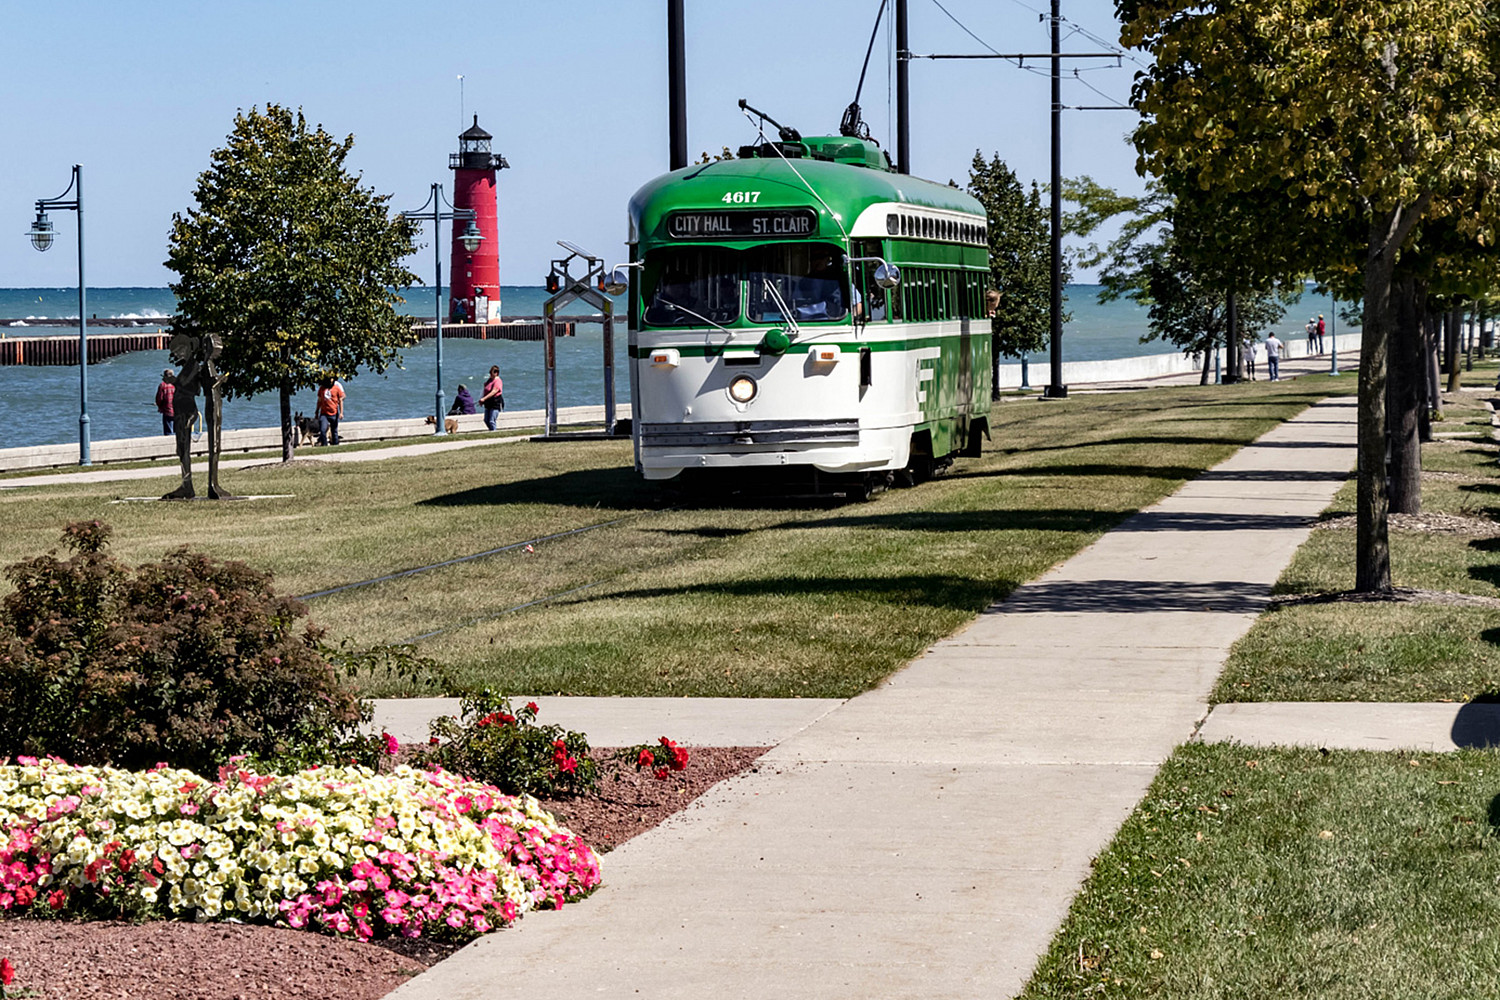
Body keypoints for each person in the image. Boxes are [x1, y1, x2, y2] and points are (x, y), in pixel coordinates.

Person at [794, 251, 847, 320]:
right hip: (808, 322)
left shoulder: (840, 280)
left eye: (821, 258)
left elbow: (857, 305)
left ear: (827, 260)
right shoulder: (803, 282)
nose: (818, 261)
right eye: (814, 258)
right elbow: (797, 302)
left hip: (834, 321)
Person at [316, 377, 345, 446]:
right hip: (324, 413)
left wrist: (341, 413)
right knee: (323, 430)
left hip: (334, 413)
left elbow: (341, 400)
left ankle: (335, 444)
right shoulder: (322, 389)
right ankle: (325, 445)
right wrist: (316, 411)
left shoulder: (336, 388)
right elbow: (319, 401)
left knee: (334, 431)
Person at [480, 366, 504, 430]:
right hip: (488, 403)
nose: (490, 374)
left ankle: (494, 431)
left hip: (495, 403)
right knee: (486, 420)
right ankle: (491, 430)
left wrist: (484, 399)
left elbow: (494, 391)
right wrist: (482, 400)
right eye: (490, 373)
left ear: (496, 373)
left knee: (491, 420)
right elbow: (485, 390)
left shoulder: (497, 381)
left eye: (492, 373)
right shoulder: (489, 380)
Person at [155, 368, 176, 435]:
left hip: (167, 411)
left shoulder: (163, 385)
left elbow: (159, 399)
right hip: (178, 411)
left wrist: (159, 407)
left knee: (168, 431)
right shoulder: (178, 384)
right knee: (177, 431)